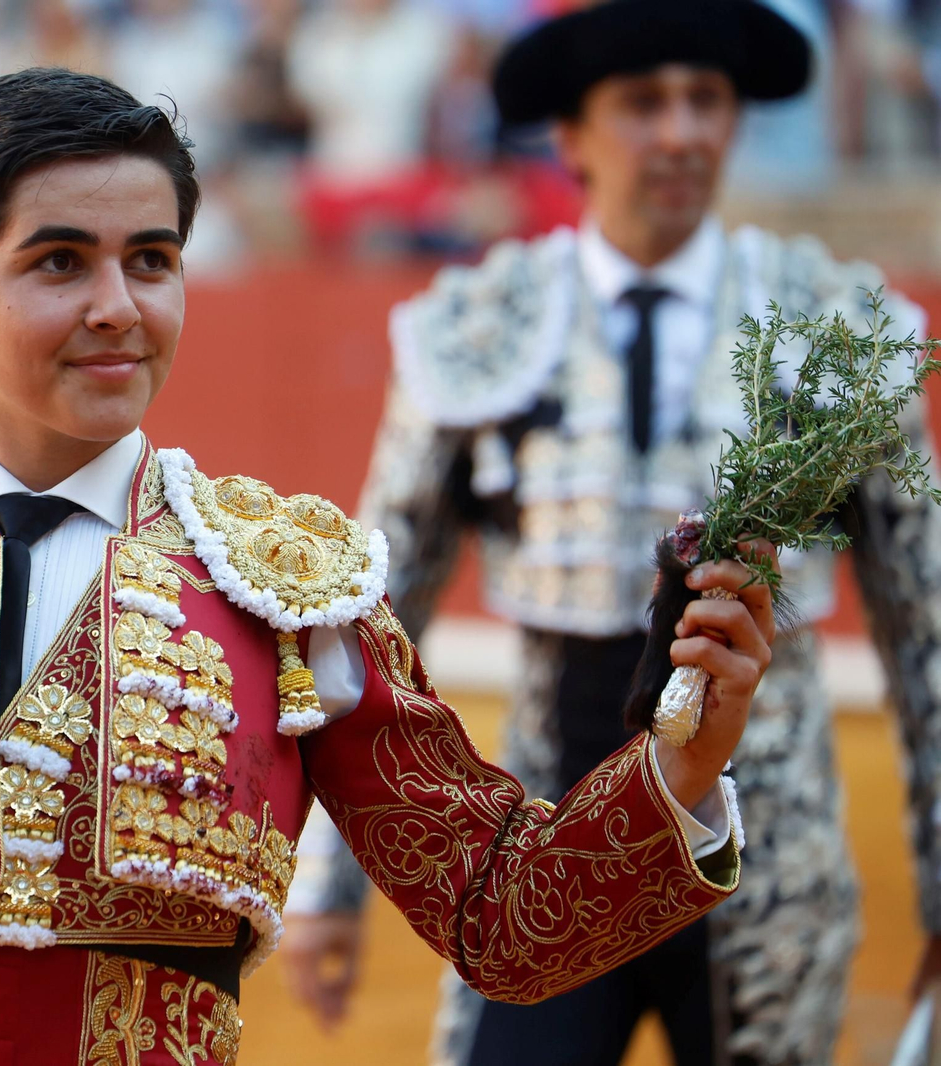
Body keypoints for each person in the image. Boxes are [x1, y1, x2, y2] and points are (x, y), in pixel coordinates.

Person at [0, 67, 776, 1064]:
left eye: (153, 258)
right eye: (59, 260)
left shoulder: (283, 584)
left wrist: (687, 760)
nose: (119, 304)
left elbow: (506, 919)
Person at [281, 3, 941, 1064]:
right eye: (642, 104)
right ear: (572, 135)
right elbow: (368, 620)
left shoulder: (836, 325)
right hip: (543, 844)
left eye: (705, 101)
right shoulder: (476, 323)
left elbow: (927, 632)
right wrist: (326, 886)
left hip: (772, 856)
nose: (680, 133)